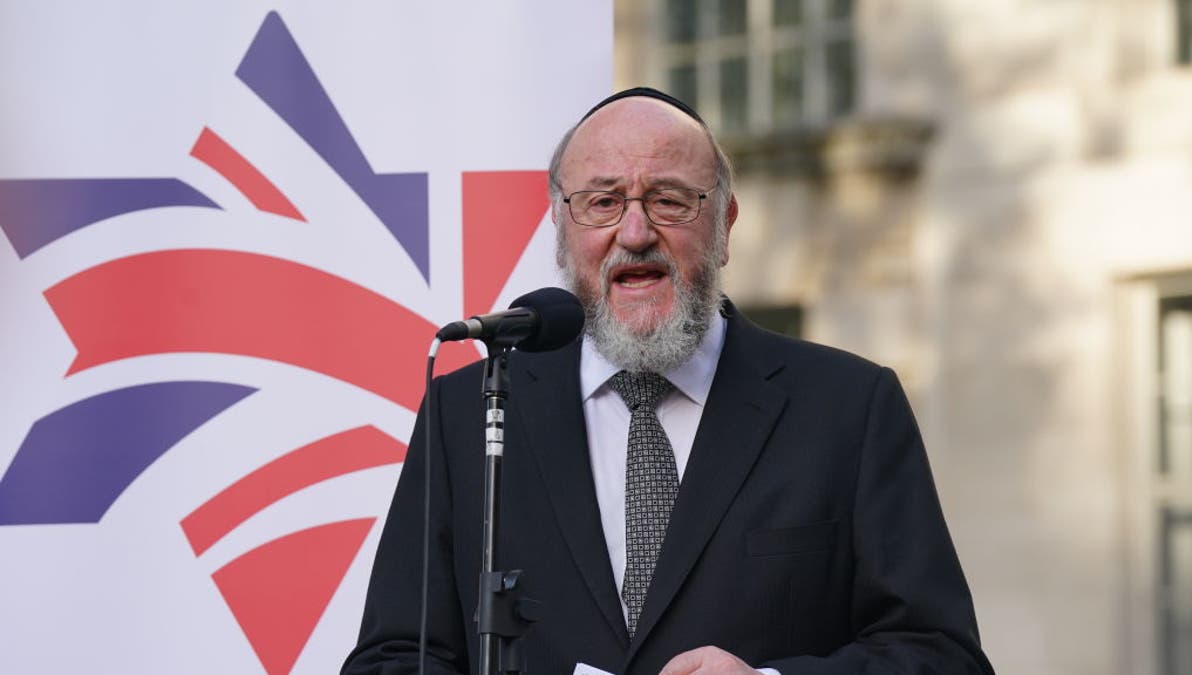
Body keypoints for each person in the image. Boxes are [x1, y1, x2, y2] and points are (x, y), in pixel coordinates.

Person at [343, 87, 994, 675]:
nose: (635, 231)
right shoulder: (472, 412)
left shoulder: (849, 408)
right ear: (561, 229)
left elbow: (943, 655)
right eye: (602, 202)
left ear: (725, 224)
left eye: (669, 200)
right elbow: (393, 657)